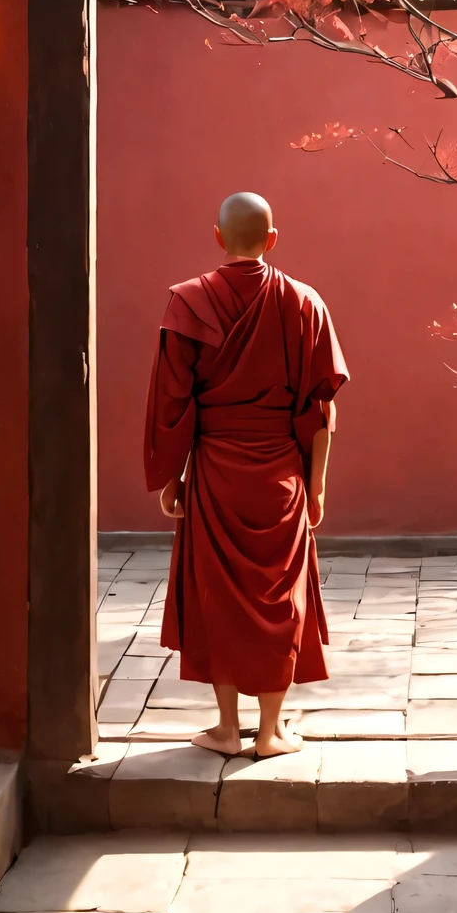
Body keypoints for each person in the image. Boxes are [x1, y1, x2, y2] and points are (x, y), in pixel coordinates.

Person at [143, 191, 348, 758]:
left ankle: (227, 730)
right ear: (274, 239)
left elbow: (172, 402)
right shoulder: (305, 304)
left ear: (216, 237)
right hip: (281, 474)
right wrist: (318, 486)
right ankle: (270, 732)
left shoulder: (186, 303)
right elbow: (320, 412)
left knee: (220, 600)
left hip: (214, 474)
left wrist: (170, 477)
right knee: (282, 597)